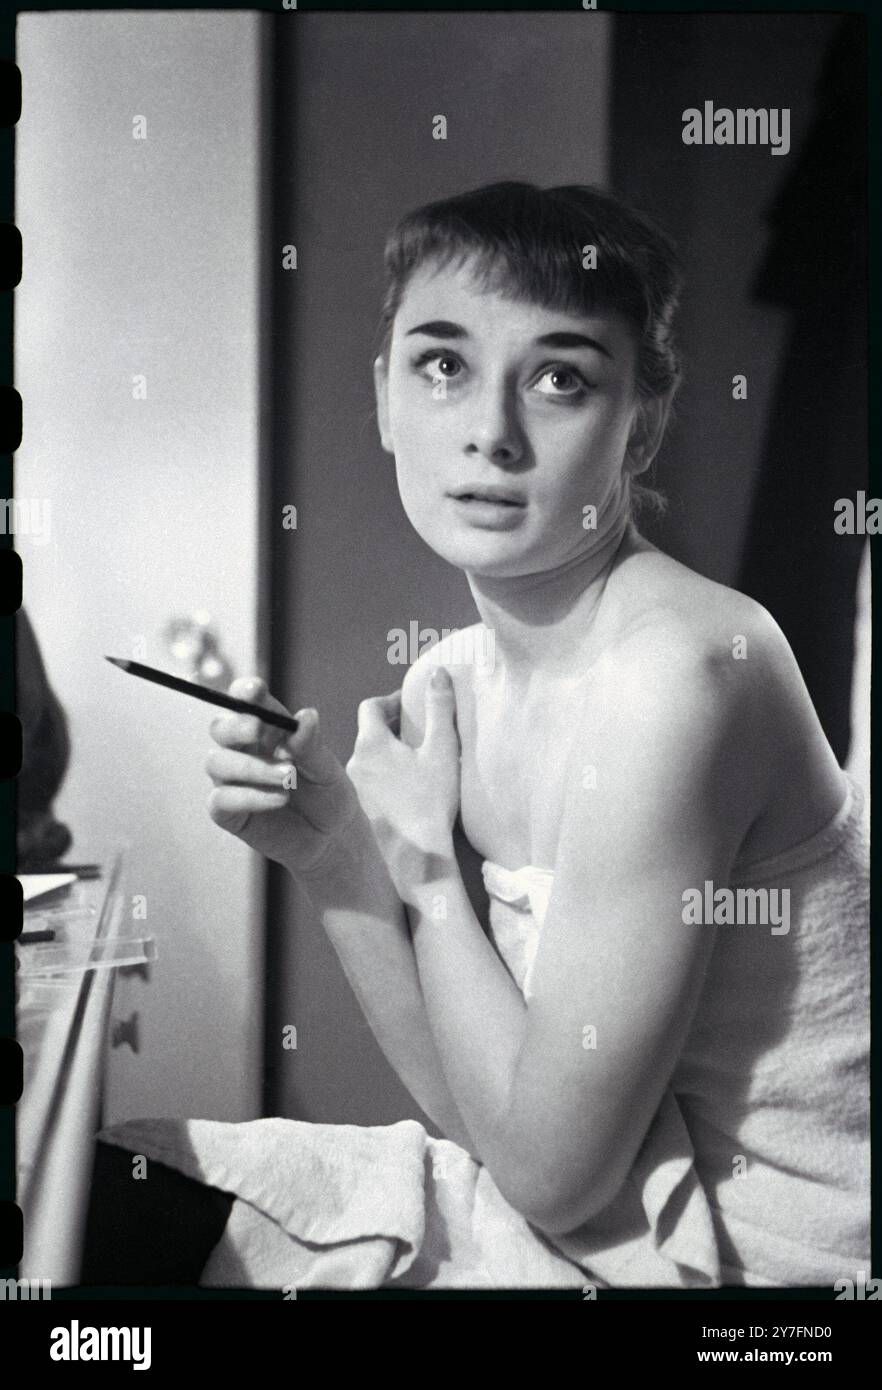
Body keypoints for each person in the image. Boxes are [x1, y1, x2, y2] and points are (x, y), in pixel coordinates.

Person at [85, 181, 869, 1290]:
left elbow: (550, 1171)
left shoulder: (680, 678)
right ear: (385, 399)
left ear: (640, 420)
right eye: (443, 364)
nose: (491, 433)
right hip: (600, 1231)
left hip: (770, 1271)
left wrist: (430, 880)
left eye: (559, 378)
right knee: (103, 1192)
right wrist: (339, 857)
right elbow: (494, 1121)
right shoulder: (452, 679)